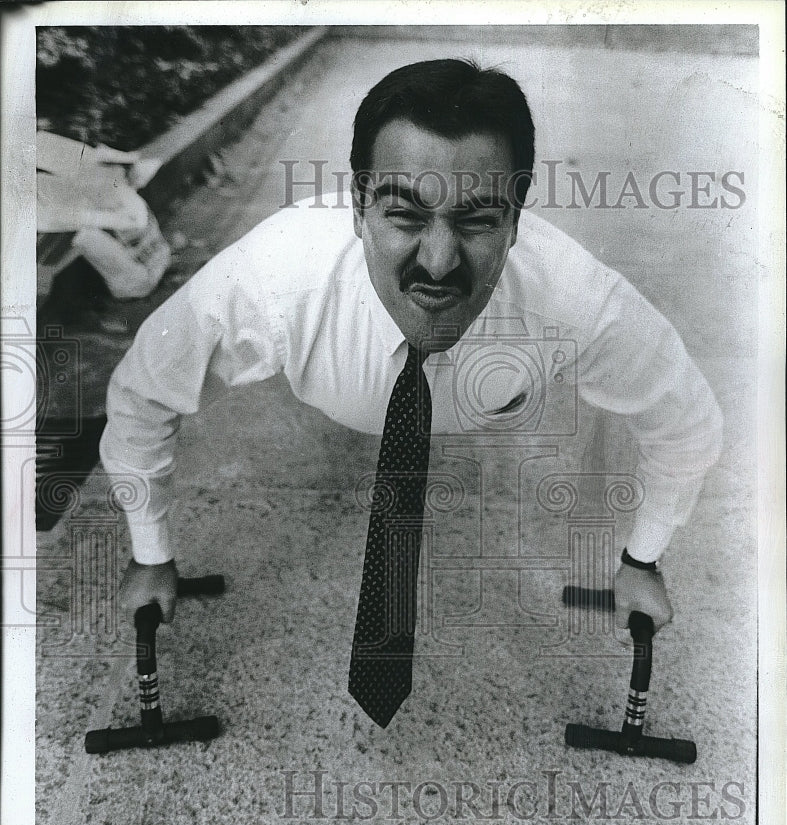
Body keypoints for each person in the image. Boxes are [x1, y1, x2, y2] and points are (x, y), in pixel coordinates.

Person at [100, 58, 723, 646]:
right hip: (340, 382)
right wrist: (149, 551)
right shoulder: (271, 277)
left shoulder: (574, 297)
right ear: (358, 209)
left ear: (516, 220)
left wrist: (643, 557)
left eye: (478, 220)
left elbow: (685, 421)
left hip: (493, 394)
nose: (438, 262)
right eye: (404, 214)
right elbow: (143, 392)